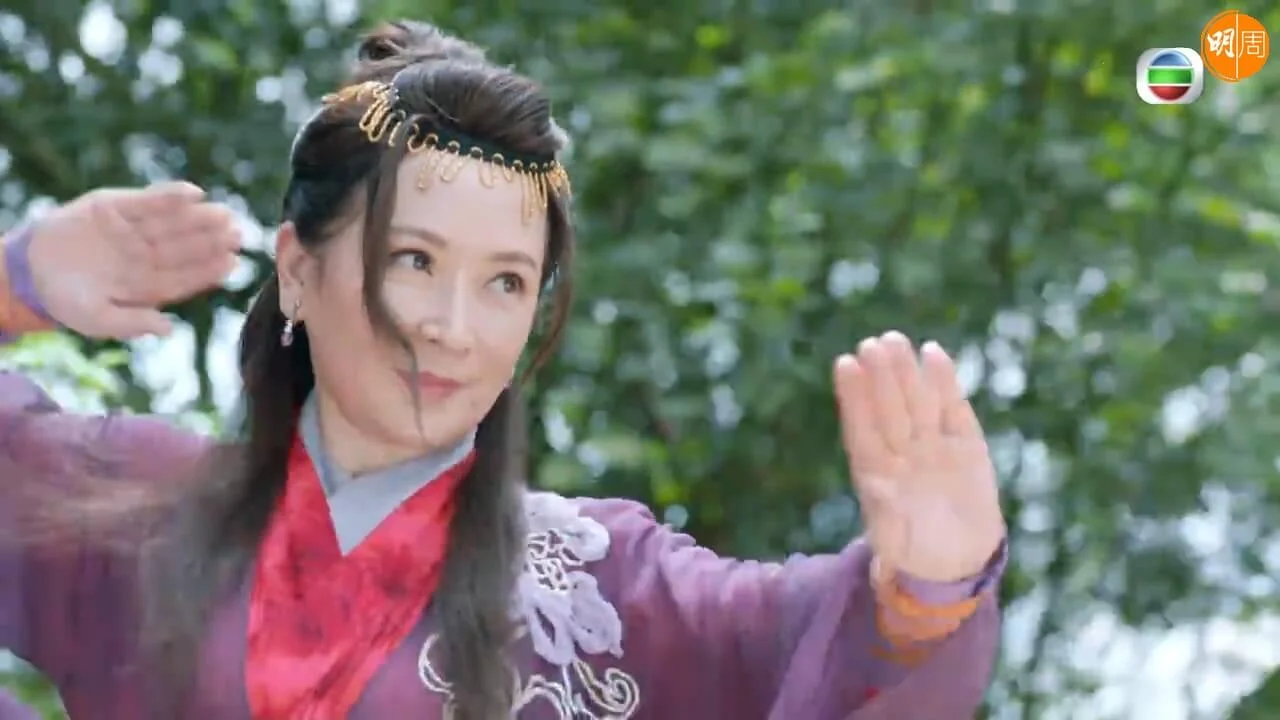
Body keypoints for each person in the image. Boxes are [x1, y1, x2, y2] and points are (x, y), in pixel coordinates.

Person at [0, 19, 1006, 720]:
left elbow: (795, 640)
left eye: (505, 283)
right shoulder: (134, 505)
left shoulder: (602, 588)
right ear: (298, 269)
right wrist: (15, 287)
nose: (453, 328)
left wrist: (923, 593)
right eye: (414, 261)